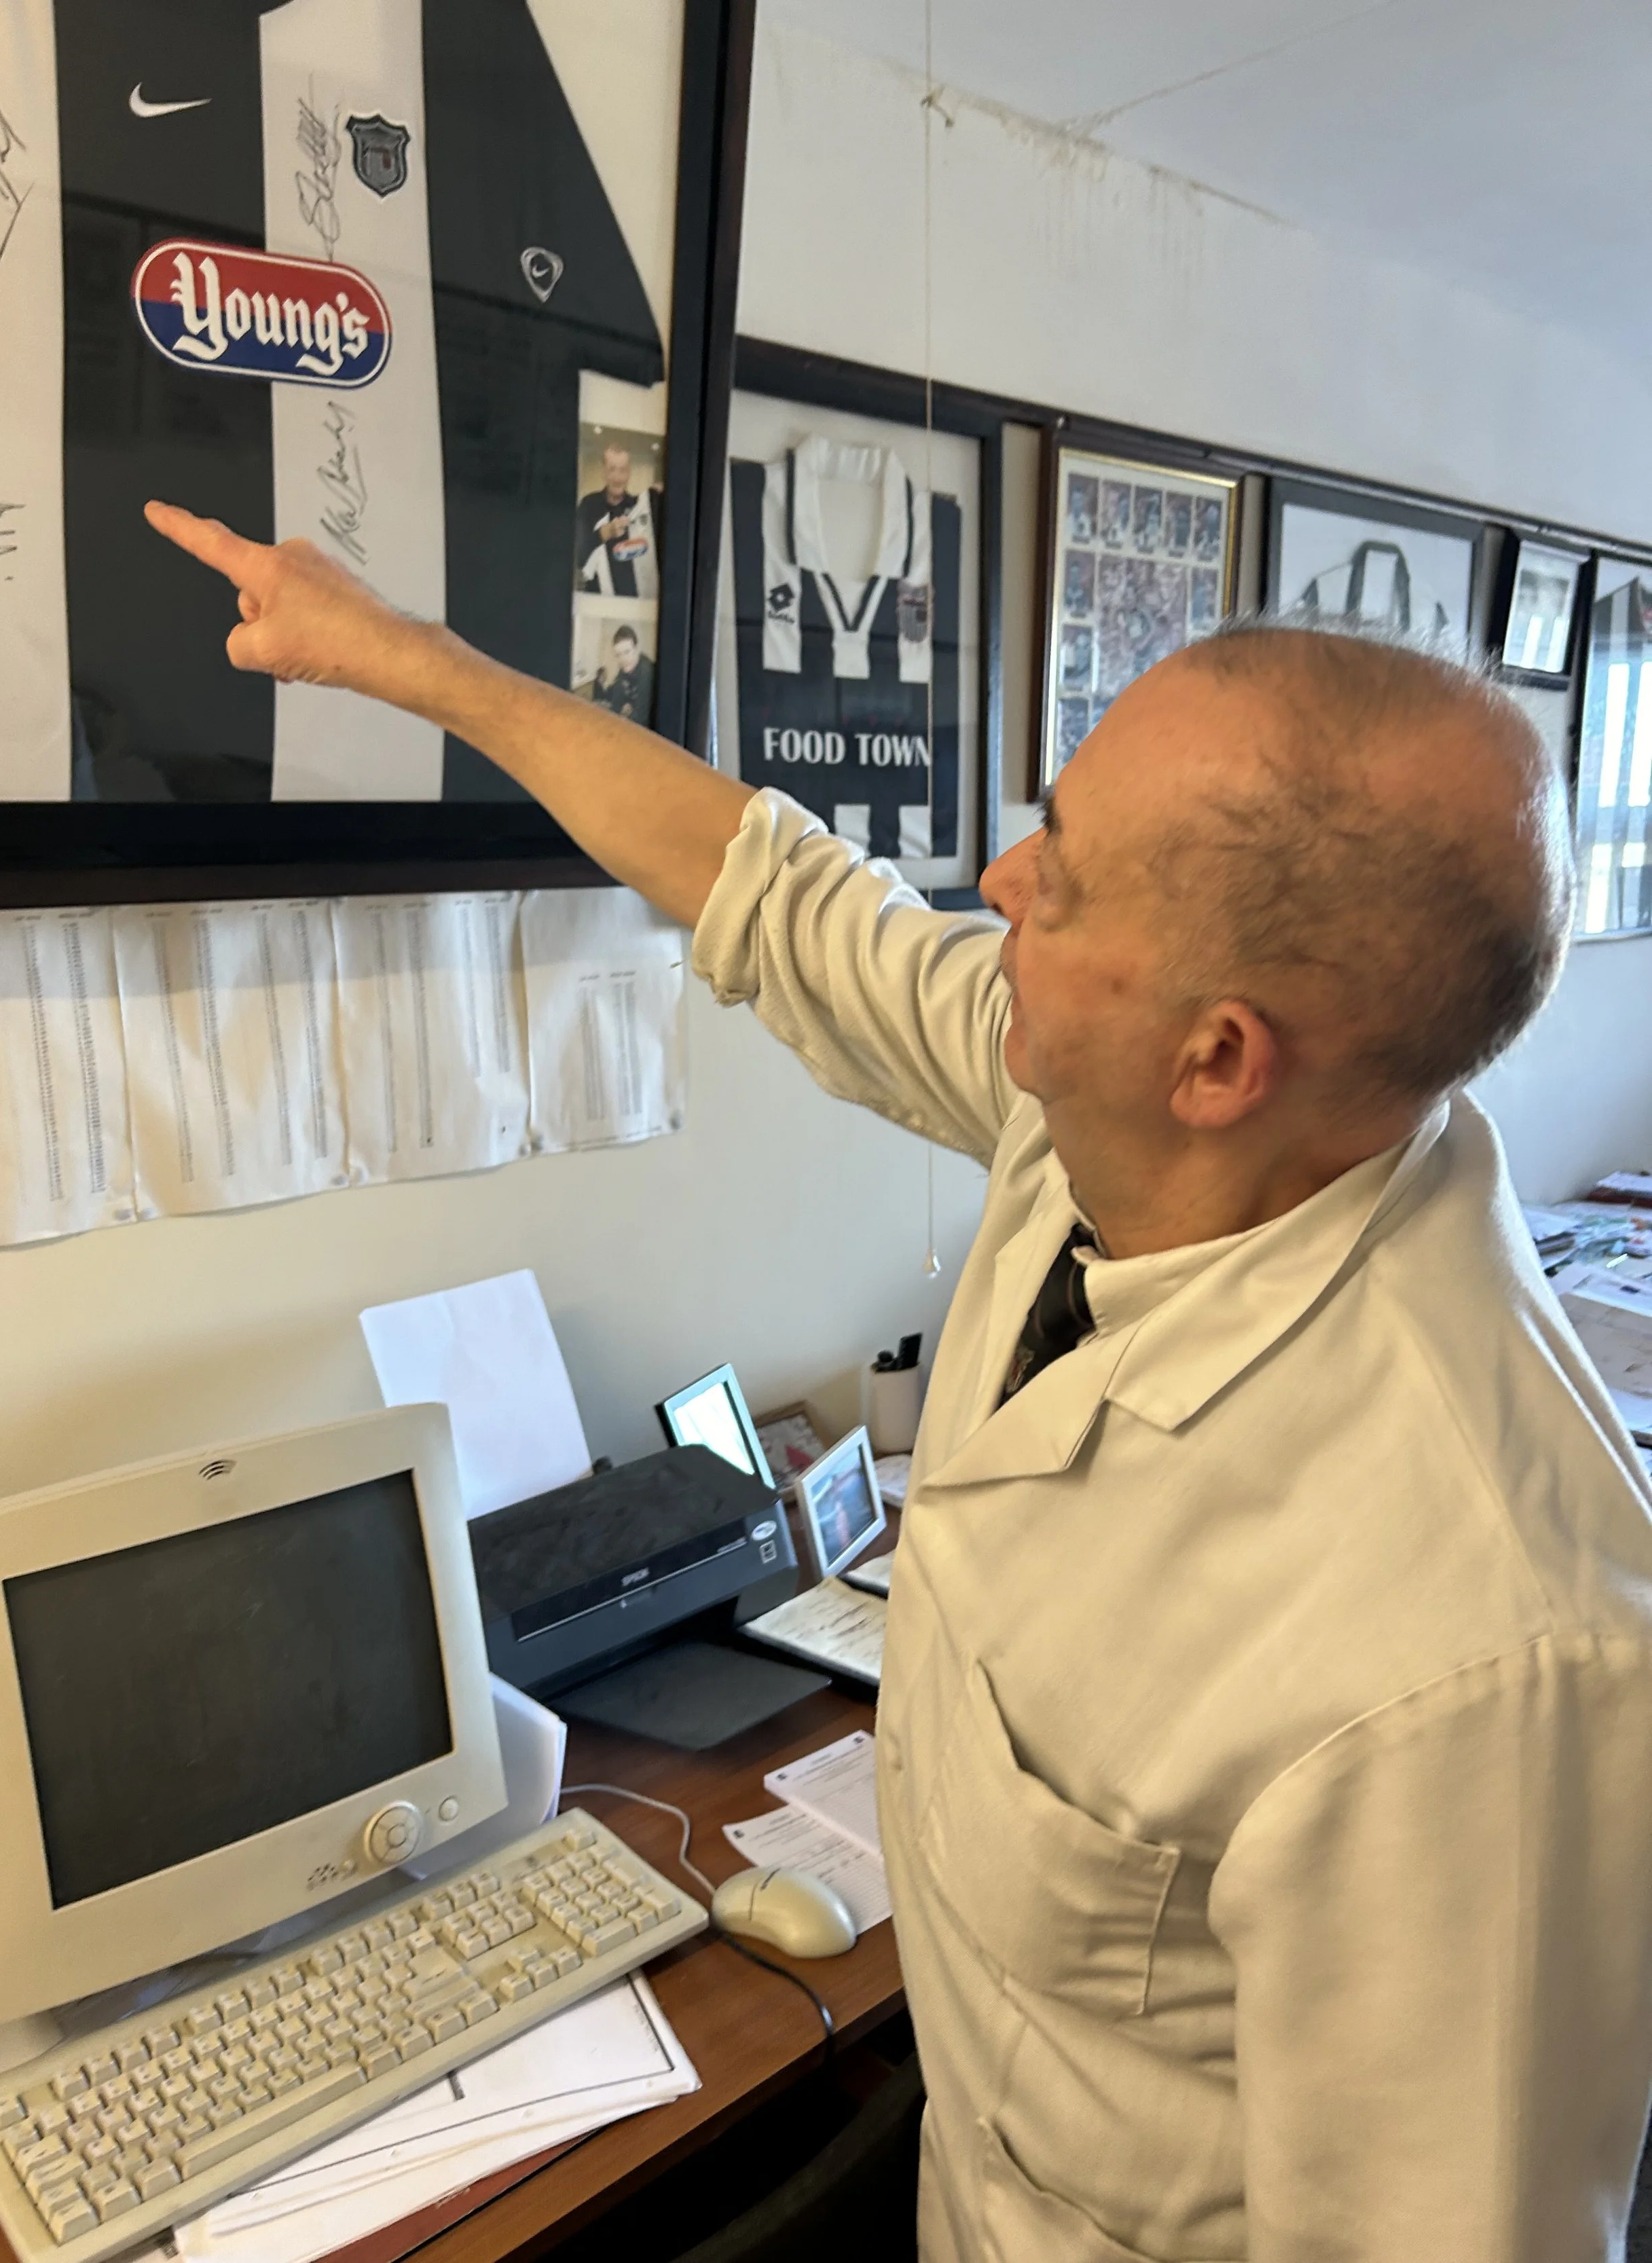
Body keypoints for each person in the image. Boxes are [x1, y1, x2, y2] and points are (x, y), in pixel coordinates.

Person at [143, 498, 1652, 2263]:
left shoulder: (1478, 1651)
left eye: (1057, 871)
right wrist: (412, 663)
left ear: (1217, 1054)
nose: (996, 883)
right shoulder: (1099, 1111)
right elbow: (767, 888)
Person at [574, 443, 661, 600]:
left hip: (631, 602)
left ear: (629, 473)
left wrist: (659, 496)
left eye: (623, 470)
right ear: (604, 472)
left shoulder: (638, 508)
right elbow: (576, 555)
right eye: (612, 469)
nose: (617, 477)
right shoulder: (589, 505)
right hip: (596, 602)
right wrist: (604, 533)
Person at [589, 624, 655, 726]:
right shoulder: (624, 670)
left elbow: (640, 717)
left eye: (627, 652)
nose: (623, 659)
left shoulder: (647, 672)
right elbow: (615, 701)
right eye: (618, 655)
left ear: (637, 649)